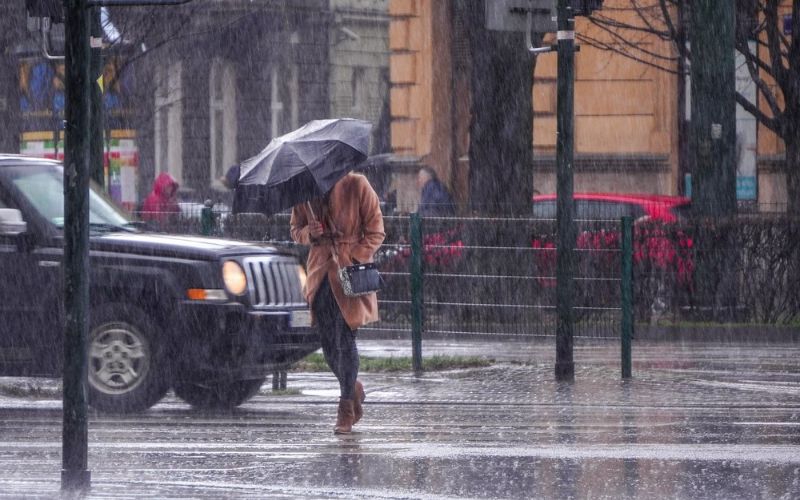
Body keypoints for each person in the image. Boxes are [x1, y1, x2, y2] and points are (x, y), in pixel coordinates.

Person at [290, 171, 385, 434]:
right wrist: (310, 232)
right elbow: (295, 230)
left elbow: (376, 231)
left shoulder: (357, 184)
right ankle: (353, 386)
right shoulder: (304, 192)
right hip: (319, 275)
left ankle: (345, 407)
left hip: (349, 277)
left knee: (344, 339)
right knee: (328, 343)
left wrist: (355, 256)